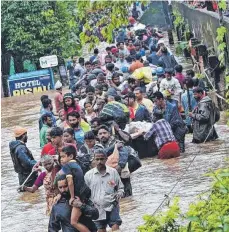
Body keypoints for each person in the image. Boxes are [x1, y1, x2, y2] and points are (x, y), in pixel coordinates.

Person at [84, 148, 124, 232]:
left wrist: (119, 194)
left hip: (112, 205)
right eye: (97, 159)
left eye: (101, 159)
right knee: (100, 229)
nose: (99, 161)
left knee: (116, 226)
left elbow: (120, 188)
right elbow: (85, 194)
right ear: (94, 159)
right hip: (96, 209)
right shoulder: (88, 175)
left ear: (106, 159)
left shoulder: (113, 172)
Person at [59, 145, 91, 232]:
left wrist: (72, 197)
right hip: (84, 195)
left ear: (71, 156)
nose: (61, 159)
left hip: (78, 197)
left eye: (63, 156)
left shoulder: (67, 166)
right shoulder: (77, 164)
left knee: (73, 222)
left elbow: (70, 182)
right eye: (60, 157)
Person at [96, 125, 132, 197]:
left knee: (127, 197)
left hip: (120, 173)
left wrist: (119, 166)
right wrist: (114, 147)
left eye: (104, 133)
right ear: (97, 136)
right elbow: (99, 155)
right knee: (112, 196)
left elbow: (124, 154)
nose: (102, 135)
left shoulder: (117, 142)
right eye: (100, 134)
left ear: (109, 134)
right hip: (107, 175)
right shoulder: (97, 146)